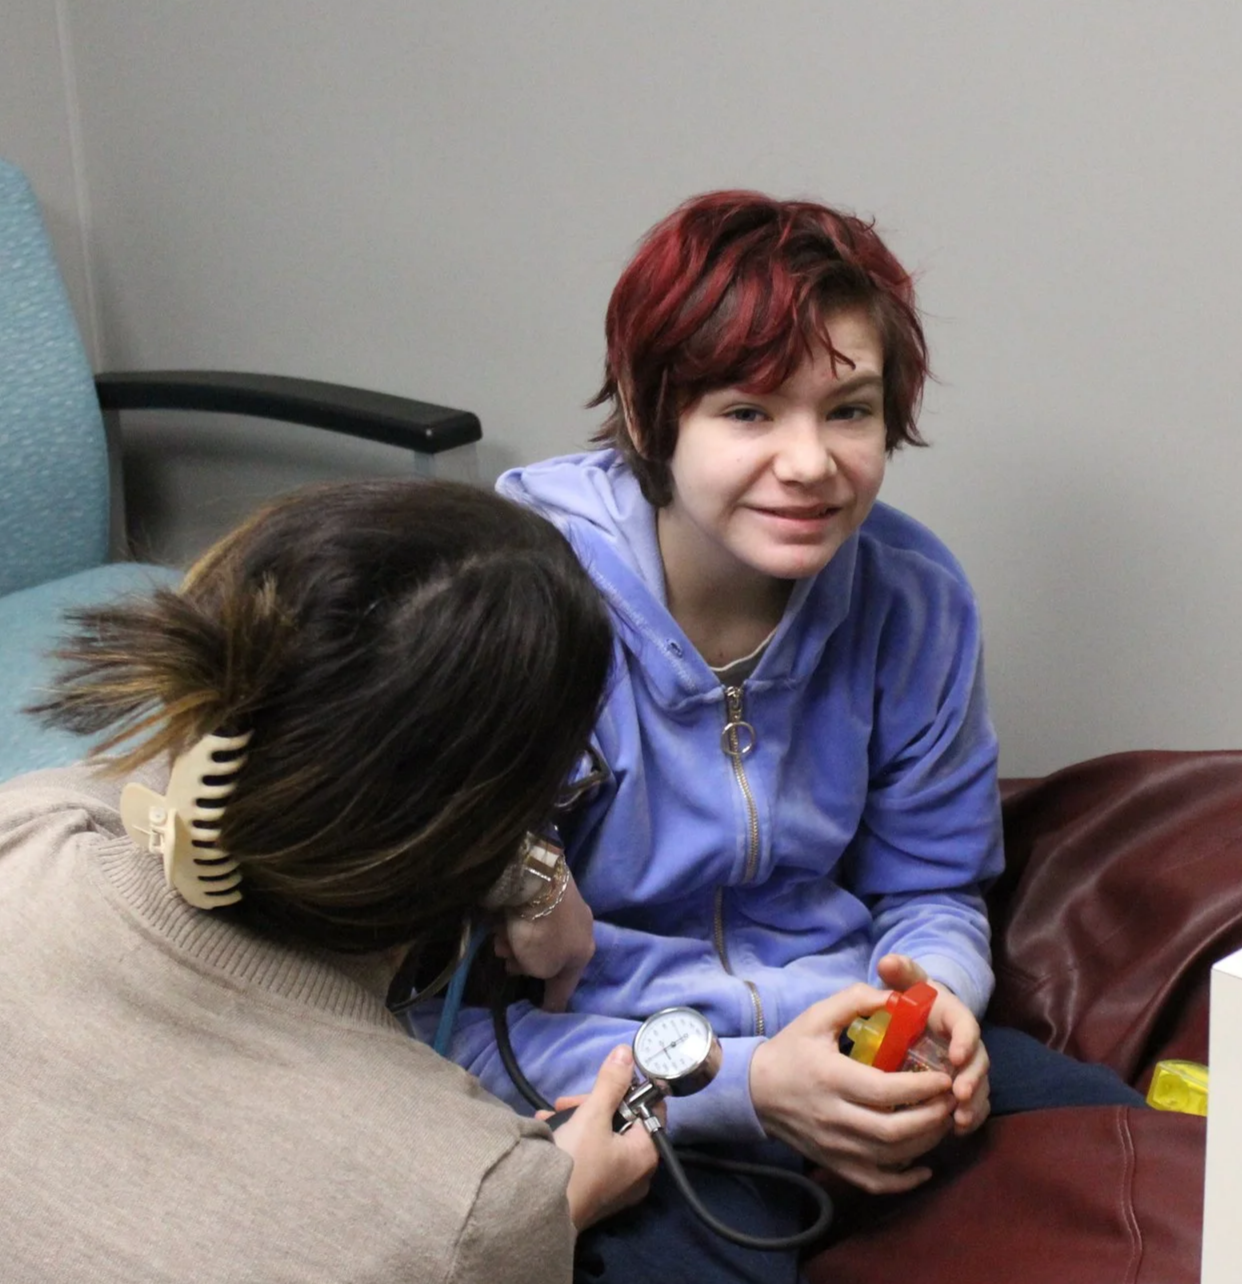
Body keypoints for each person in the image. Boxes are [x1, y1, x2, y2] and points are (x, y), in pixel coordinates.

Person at [438, 192, 1143, 1281]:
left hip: (848, 1032)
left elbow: (935, 889)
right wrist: (746, 1084)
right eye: (748, 412)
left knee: (1128, 1165)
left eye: (847, 411)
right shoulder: (505, 614)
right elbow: (434, 1021)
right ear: (645, 409)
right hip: (618, 1085)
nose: (810, 464)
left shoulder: (913, 597)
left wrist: (927, 1016)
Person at [0, 479, 658, 1283]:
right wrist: (561, 1203)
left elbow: (210, 772)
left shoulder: (1, 840)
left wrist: (509, 861)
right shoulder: (476, 1199)